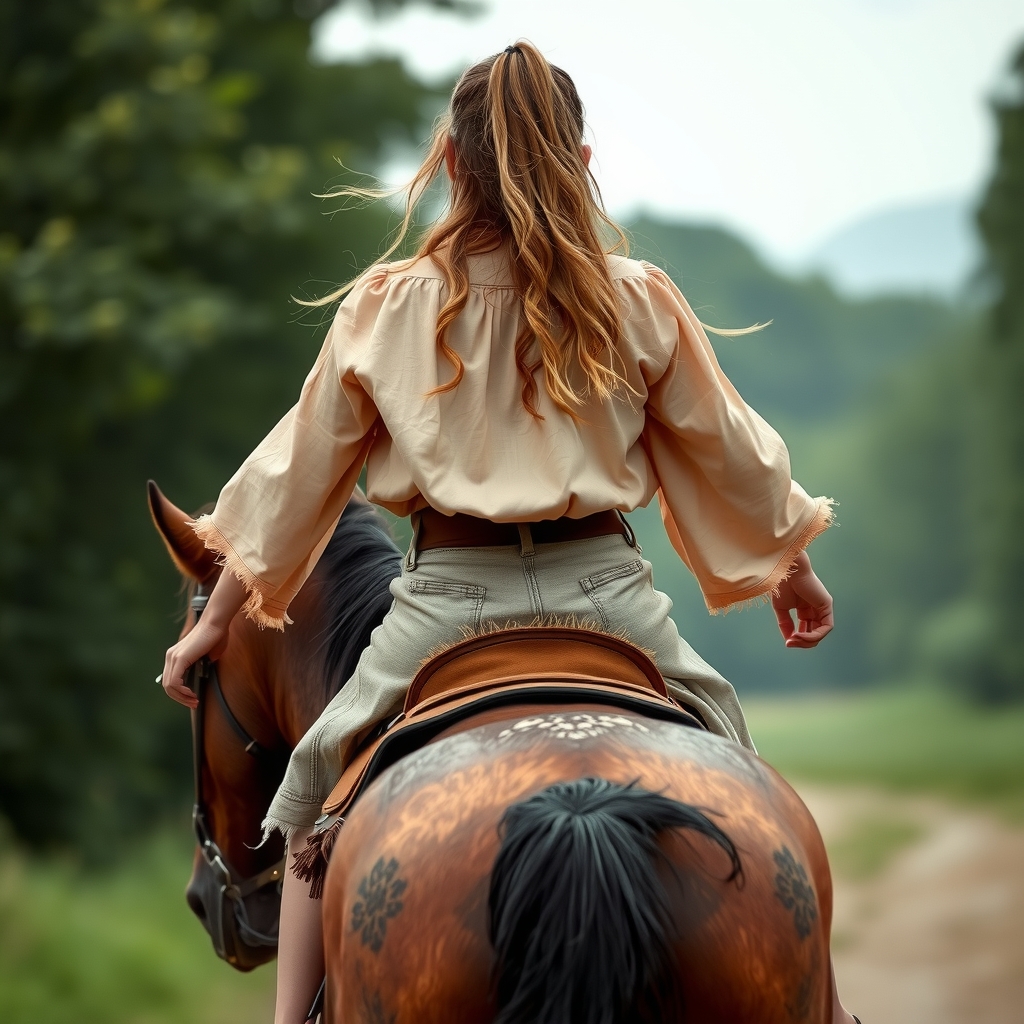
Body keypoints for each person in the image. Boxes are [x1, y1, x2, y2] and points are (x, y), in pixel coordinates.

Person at [161, 42, 840, 1024]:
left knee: (308, 800)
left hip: (445, 609)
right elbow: (729, 448)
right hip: (609, 600)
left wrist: (212, 624)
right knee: (740, 771)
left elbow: (289, 482)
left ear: (450, 161)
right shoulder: (635, 295)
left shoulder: (389, 306)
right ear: (581, 160)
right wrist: (791, 567)